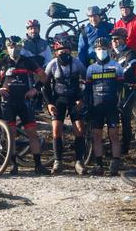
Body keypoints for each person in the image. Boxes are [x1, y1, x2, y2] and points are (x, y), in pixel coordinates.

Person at [0, 36, 47, 174]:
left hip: (25, 102)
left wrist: (35, 89)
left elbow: (43, 75)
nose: (14, 49)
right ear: (7, 47)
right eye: (11, 46)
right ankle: (13, 165)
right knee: (10, 135)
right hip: (7, 103)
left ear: (21, 47)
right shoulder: (2, 61)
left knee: (32, 134)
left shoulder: (28, 61)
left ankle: (38, 165)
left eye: (17, 46)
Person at [42, 35, 87, 174]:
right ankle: (57, 161)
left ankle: (79, 161)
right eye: (61, 52)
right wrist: (49, 103)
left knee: (79, 129)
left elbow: (87, 81)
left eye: (67, 51)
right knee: (56, 129)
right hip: (58, 100)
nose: (64, 54)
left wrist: (82, 99)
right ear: (56, 52)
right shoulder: (52, 64)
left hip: (74, 99)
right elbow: (44, 86)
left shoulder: (77, 63)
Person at [83, 37, 124, 175]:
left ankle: (115, 163)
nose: (101, 51)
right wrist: (88, 106)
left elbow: (120, 88)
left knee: (114, 135)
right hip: (96, 107)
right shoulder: (91, 68)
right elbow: (88, 90)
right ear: (95, 51)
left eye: (104, 49)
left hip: (112, 106)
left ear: (109, 49)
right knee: (96, 136)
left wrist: (120, 102)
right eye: (99, 49)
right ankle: (99, 165)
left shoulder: (116, 66)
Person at [110, 28, 136, 158]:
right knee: (112, 119)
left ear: (124, 39)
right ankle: (114, 146)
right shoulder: (110, 53)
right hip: (112, 89)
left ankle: (125, 147)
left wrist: (113, 75)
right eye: (112, 40)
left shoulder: (130, 52)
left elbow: (128, 69)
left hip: (126, 89)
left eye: (117, 39)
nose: (114, 42)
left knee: (125, 118)